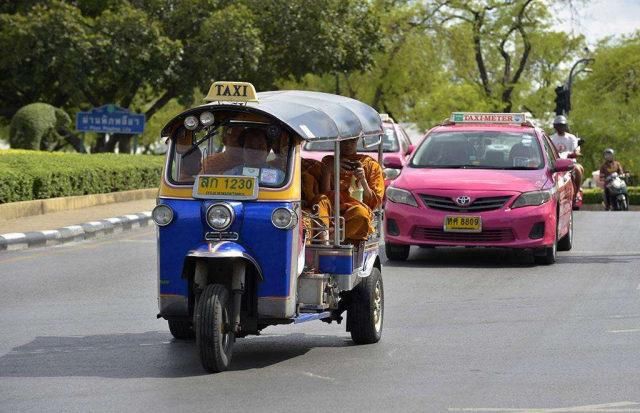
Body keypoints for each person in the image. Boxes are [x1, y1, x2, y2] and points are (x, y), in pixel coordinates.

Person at [319, 138, 385, 241]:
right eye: (344, 141)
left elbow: (374, 201)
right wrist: (328, 171)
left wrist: (363, 180)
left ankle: (330, 239)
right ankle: (324, 238)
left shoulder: (370, 165)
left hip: (354, 211)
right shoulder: (329, 161)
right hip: (331, 211)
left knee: (361, 213)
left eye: (352, 141)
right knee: (320, 199)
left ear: (357, 140)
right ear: (338, 142)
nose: (348, 145)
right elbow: (325, 194)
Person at [550, 115, 584, 196]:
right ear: (555, 126)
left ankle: (576, 193)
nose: (560, 127)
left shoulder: (572, 138)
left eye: (562, 125)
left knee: (578, 169)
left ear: (565, 126)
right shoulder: (551, 138)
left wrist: (575, 154)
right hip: (556, 165)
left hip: (570, 163)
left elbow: (575, 150)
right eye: (558, 125)